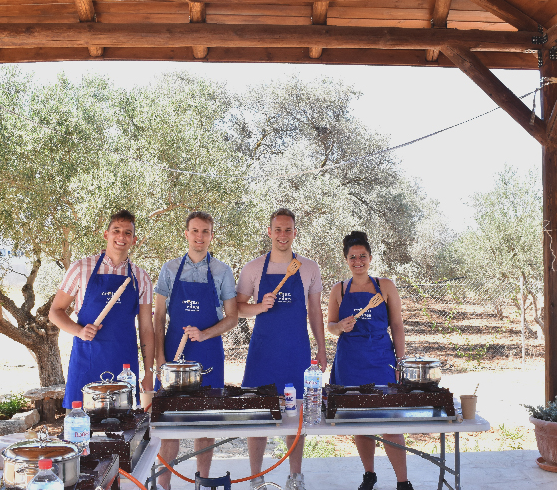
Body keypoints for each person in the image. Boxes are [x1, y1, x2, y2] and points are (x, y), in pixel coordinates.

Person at [237, 208, 327, 490]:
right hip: (262, 354)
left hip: (296, 352)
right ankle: (255, 478)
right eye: (278, 229)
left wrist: (322, 348)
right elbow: (237, 308)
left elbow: (315, 312)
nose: (282, 235)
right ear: (269, 232)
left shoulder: (309, 268)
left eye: (288, 230)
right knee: (258, 415)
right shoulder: (253, 268)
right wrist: (259, 306)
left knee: (296, 416)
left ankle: (295, 476)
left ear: (295, 233)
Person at [153, 211, 239, 490]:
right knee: (169, 424)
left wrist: (204, 334)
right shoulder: (169, 269)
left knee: (206, 421)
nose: (199, 236)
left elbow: (232, 318)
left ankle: (202, 482)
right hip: (173, 355)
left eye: (205, 231)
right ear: (186, 233)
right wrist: (160, 359)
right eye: (195, 231)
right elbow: (158, 317)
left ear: (212, 236)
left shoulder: (222, 271)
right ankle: (163, 485)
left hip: (208, 353)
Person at [327, 231, 413, 490]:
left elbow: (397, 325)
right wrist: (340, 326)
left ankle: (402, 481)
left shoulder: (384, 286)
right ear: (346, 260)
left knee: (390, 421)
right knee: (360, 422)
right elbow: (330, 326)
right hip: (350, 363)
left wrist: (401, 362)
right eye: (352, 257)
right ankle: (369, 474)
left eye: (362, 256)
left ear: (370, 258)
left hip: (381, 359)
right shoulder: (339, 289)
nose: (358, 261)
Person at [49, 209, 154, 409]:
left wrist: (149, 373)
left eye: (128, 233)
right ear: (106, 234)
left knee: (124, 425)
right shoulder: (81, 269)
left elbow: (147, 329)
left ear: (134, 240)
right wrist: (79, 331)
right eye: (116, 231)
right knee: (80, 424)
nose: (121, 237)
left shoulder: (141, 278)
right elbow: (55, 311)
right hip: (86, 361)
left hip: (124, 368)